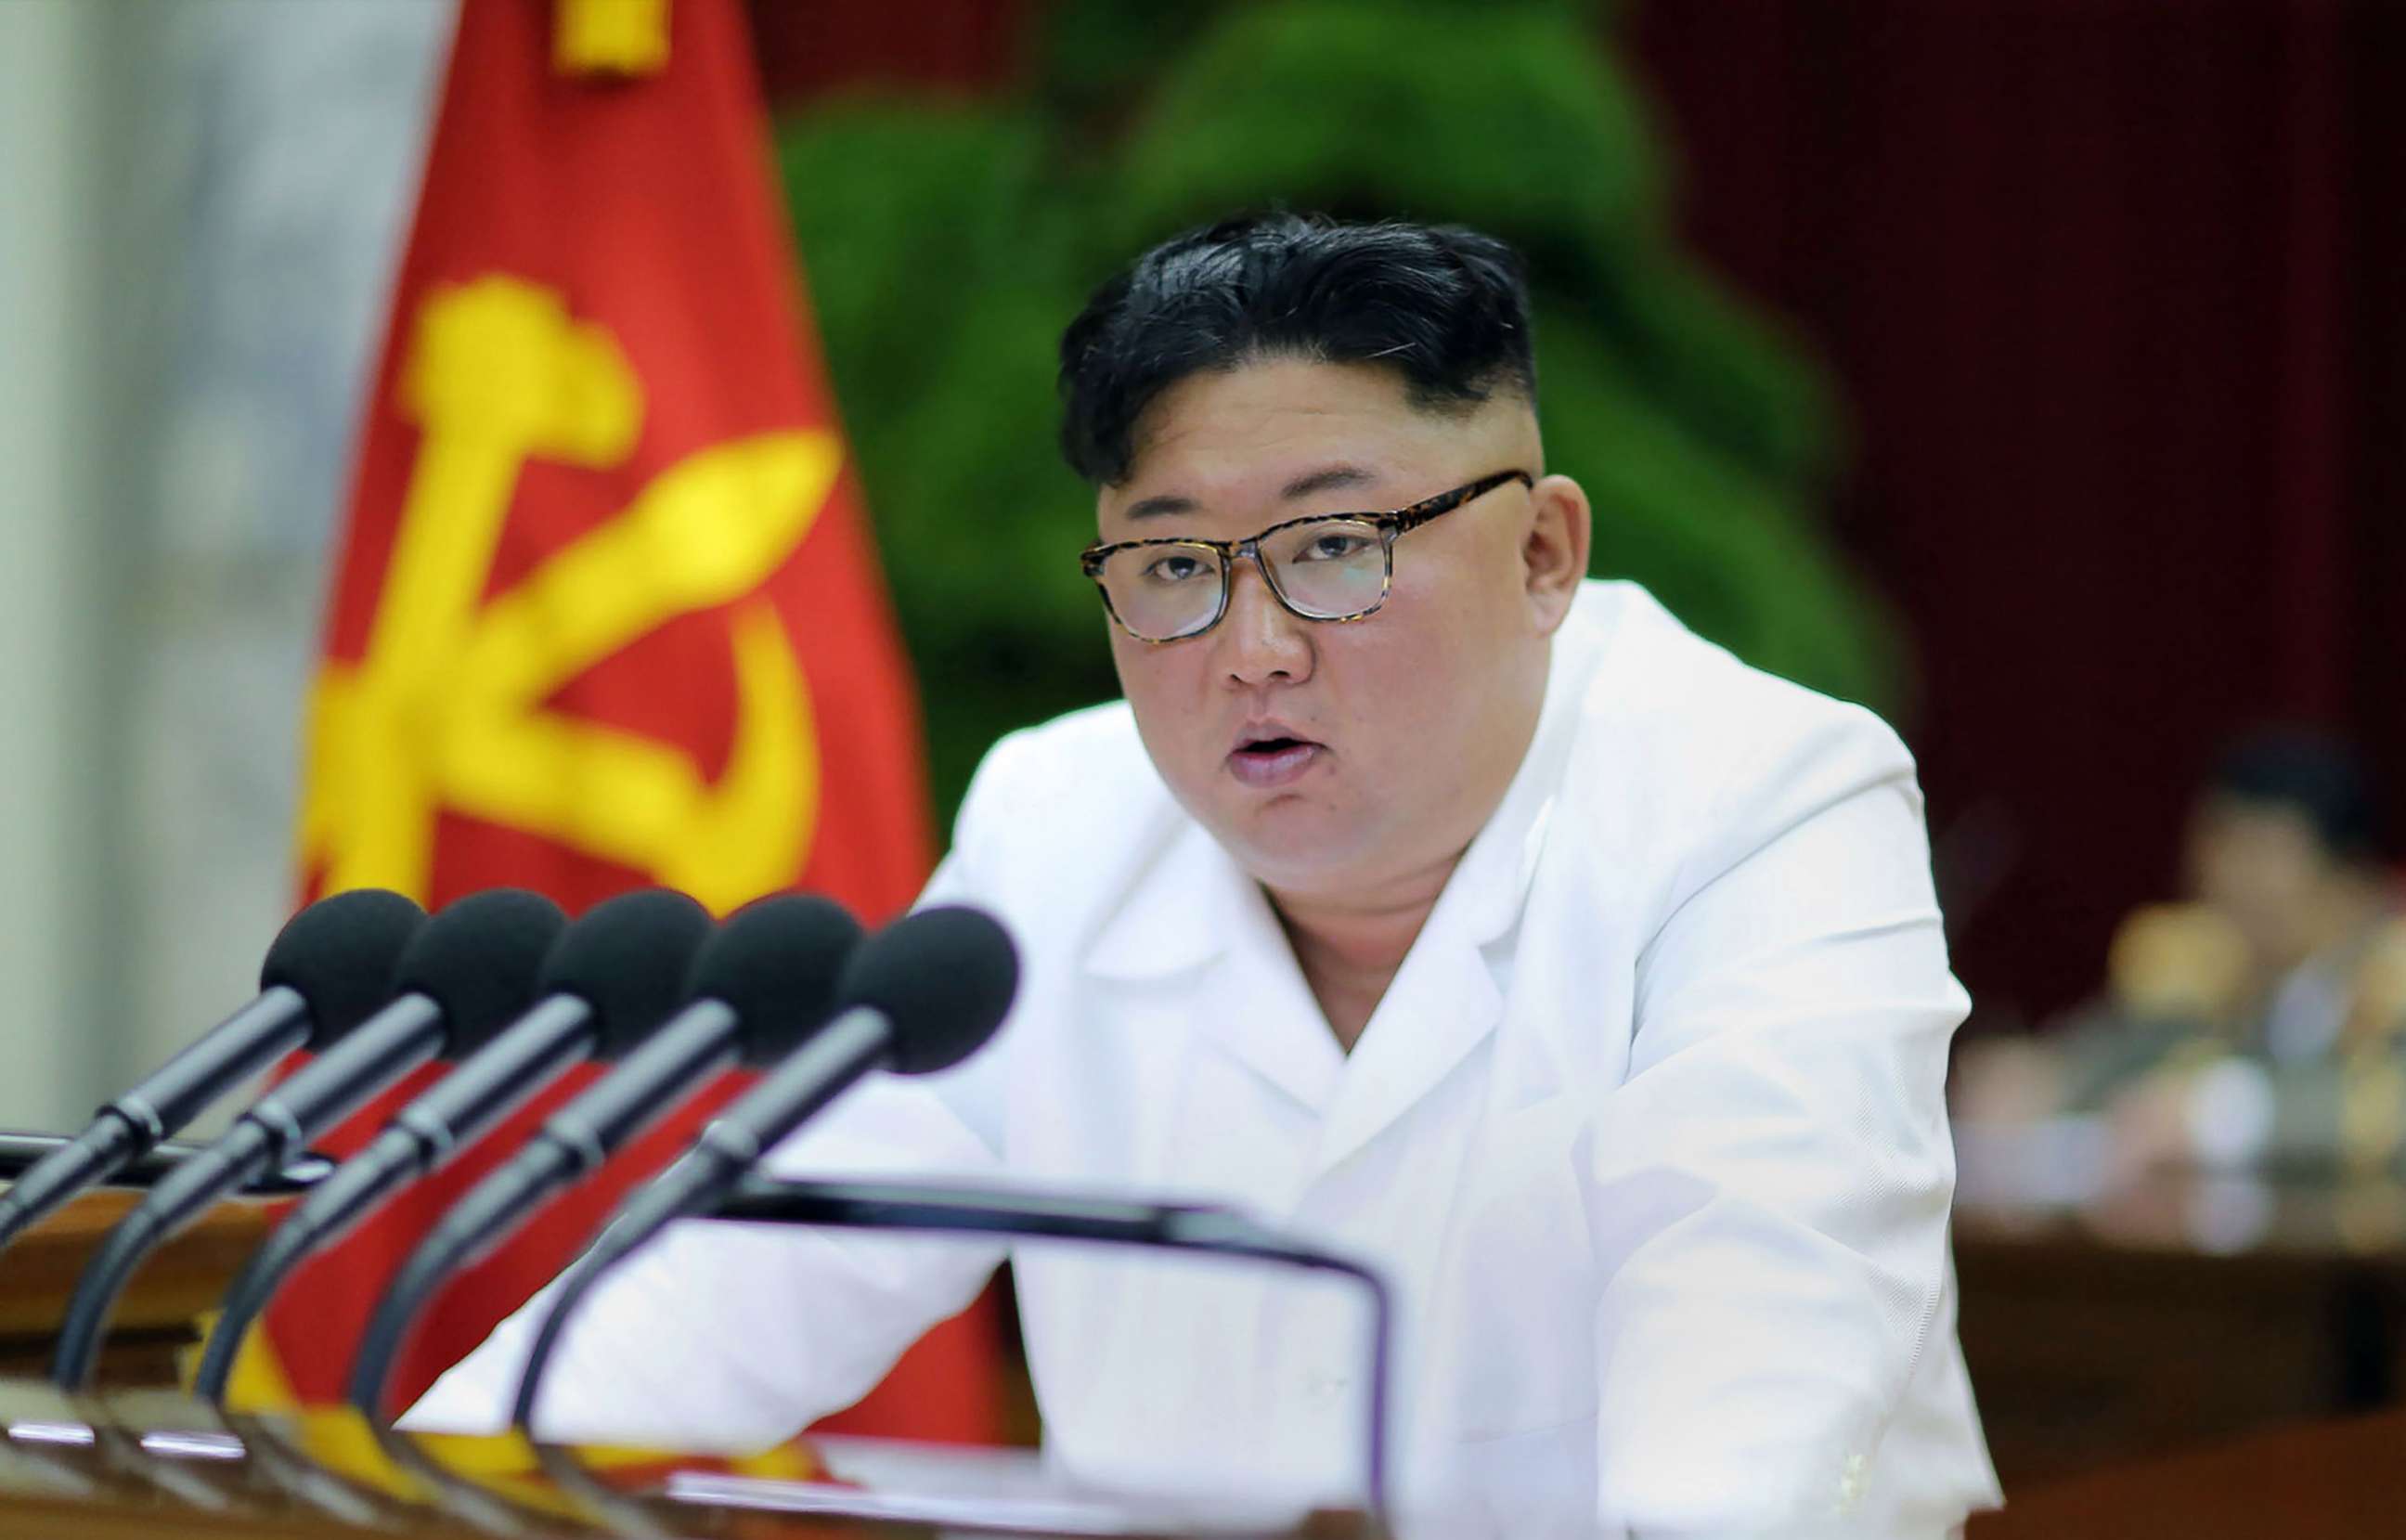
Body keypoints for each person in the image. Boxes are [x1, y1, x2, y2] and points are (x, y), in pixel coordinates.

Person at [407, 214, 2000, 1534]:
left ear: (1541, 556)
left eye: (1333, 549)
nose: (1250, 650)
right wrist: (406, 1491)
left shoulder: (1762, 797)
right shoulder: (1061, 815)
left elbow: (1754, 1380)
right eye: (1173, 565)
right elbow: (754, 1267)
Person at [1958, 728, 2406, 1176]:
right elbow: (2120, 1052)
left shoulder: (2392, 968)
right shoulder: (2205, 964)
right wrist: (2047, 1080)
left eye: (2259, 854)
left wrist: (2222, 1116)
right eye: (2217, 847)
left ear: (2351, 874)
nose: (2228, 879)